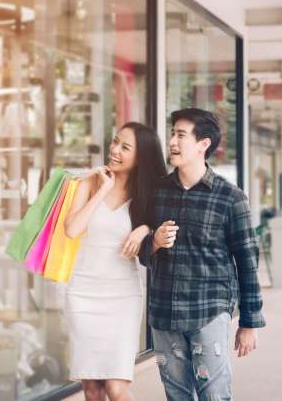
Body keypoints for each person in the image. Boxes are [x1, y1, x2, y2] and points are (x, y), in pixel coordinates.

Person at [138, 108, 265, 401]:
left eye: (181, 135)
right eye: (172, 133)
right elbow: (143, 253)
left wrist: (249, 322)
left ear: (203, 144)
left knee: (214, 395)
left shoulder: (230, 198)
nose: (172, 141)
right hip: (164, 314)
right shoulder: (156, 193)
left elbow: (247, 263)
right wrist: (153, 242)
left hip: (208, 311)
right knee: (176, 396)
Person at [64, 122, 166, 401]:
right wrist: (102, 188)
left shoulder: (148, 194)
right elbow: (72, 229)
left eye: (125, 147)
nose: (115, 150)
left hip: (123, 296)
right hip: (83, 292)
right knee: (92, 389)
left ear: (140, 157)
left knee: (116, 388)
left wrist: (145, 228)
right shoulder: (88, 182)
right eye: (115, 142)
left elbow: (159, 234)